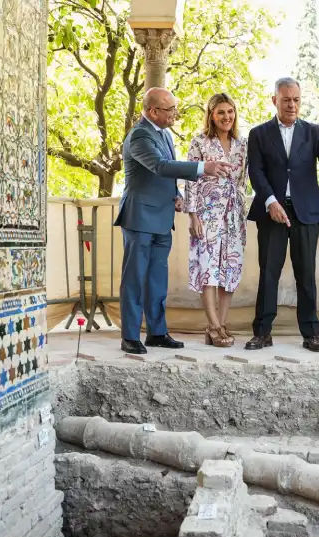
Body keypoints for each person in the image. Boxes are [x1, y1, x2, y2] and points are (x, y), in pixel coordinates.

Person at [114, 87, 232, 355]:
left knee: (157, 280)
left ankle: (157, 332)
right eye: (170, 110)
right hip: (140, 217)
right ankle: (130, 336)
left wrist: (176, 195)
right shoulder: (140, 136)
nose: (175, 115)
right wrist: (204, 167)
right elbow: (160, 166)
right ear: (153, 111)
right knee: (134, 279)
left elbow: (165, 173)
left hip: (162, 217)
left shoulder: (164, 134)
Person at [244, 77, 319, 352]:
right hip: (272, 212)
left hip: (306, 211)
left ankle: (311, 334)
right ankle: (262, 332)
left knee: (306, 274)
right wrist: (270, 201)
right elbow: (255, 171)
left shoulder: (313, 131)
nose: (292, 104)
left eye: (296, 100)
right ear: (274, 100)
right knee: (269, 272)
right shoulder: (258, 133)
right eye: (286, 99)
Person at [184, 93, 249, 348]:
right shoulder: (199, 142)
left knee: (229, 269)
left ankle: (221, 323)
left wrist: (240, 206)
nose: (226, 117)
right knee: (208, 269)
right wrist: (193, 215)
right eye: (221, 112)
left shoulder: (242, 144)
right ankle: (212, 325)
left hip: (233, 216)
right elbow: (190, 178)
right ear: (211, 115)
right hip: (207, 213)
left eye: (230, 111)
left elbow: (243, 179)